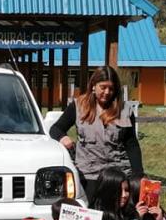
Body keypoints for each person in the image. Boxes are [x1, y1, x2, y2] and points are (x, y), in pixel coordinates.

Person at [49, 66, 143, 202]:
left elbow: (132, 144)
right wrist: (62, 137)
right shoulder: (78, 106)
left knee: (116, 212)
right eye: (103, 87)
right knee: (91, 212)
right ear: (93, 86)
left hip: (117, 175)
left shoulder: (124, 110)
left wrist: (138, 174)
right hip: (89, 174)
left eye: (111, 88)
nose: (107, 92)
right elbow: (56, 128)